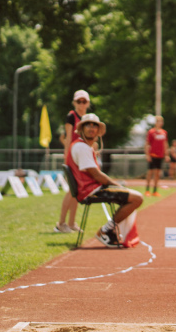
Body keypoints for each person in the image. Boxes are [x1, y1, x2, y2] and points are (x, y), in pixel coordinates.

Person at [66, 113, 143, 247]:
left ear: (98, 130)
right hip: (90, 191)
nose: (91, 128)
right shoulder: (81, 147)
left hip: (92, 189)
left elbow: (96, 175)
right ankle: (106, 231)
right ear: (82, 129)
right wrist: (117, 185)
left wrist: (118, 186)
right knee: (137, 198)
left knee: (130, 195)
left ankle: (109, 230)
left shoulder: (82, 146)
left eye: (94, 125)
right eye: (88, 125)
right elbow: (96, 175)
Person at [54, 90, 90, 233]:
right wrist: (67, 156)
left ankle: (71, 223)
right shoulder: (72, 116)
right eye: (78, 101)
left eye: (84, 101)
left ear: (88, 103)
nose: (81, 104)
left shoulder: (88, 118)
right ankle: (61, 223)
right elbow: (68, 138)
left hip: (83, 158)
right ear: (74, 103)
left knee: (78, 191)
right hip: (73, 158)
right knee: (72, 190)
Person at [145, 115, 167, 197]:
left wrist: (166, 154)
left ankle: (155, 190)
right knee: (150, 172)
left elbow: (165, 144)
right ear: (156, 122)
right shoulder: (151, 132)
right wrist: (147, 155)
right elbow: (147, 144)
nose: (160, 123)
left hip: (160, 155)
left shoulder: (164, 132)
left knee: (157, 173)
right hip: (152, 154)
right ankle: (147, 190)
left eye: (161, 121)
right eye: (159, 121)